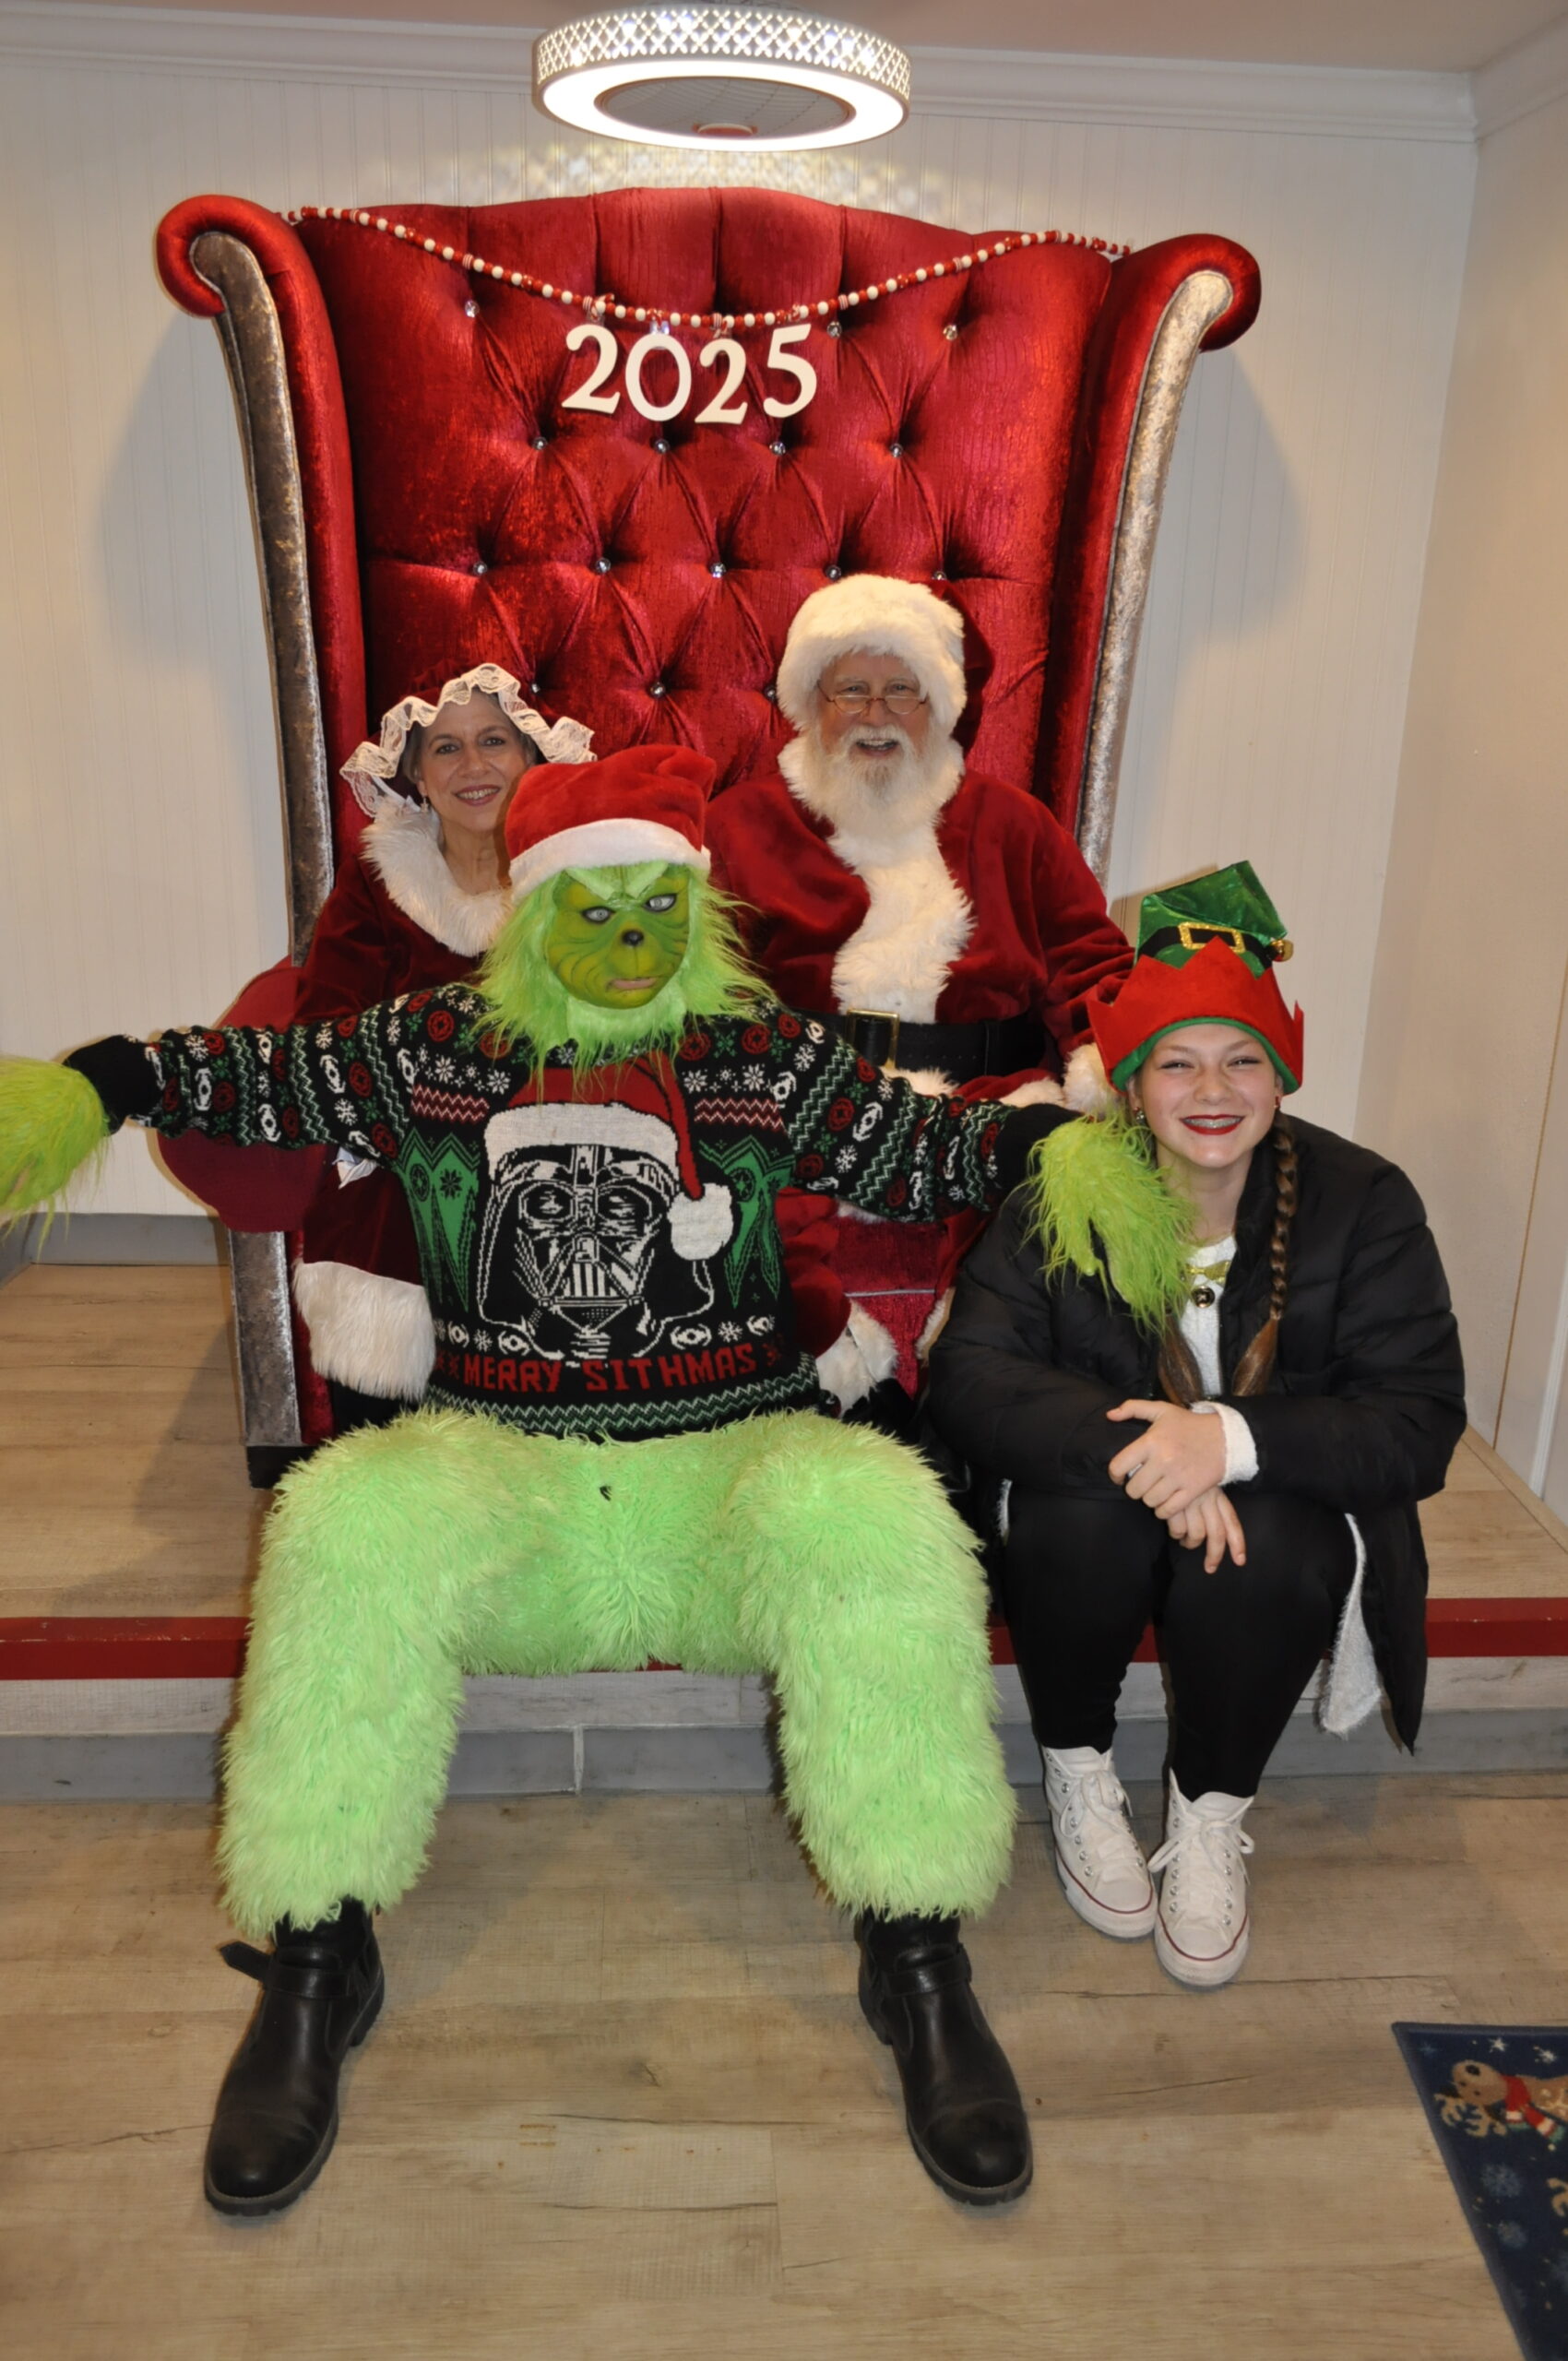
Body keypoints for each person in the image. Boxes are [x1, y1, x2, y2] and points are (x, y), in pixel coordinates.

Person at [1, 744, 1076, 2217]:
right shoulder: (436, 1043)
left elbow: (914, 1146)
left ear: (696, 911)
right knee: (345, 1523)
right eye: (596, 911)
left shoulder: (760, 1050)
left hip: (730, 1477)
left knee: (885, 1519)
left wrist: (1054, 1146)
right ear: (535, 910)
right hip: (503, 1477)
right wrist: (105, 1082)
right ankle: (320, 1953)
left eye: (657, 910)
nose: (630, 942)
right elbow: (261, 1079)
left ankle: (917, 1950)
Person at [925, 863, 1465, 1989]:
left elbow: (1416, 1419)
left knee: (1275, 1543)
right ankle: (1077, 1767)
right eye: (1176, 1061)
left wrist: (1222, 1442)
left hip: (1273, 1494)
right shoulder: (1057, 1191)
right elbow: (970, 1374)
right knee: (1077, 1518)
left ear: (1279, 1075)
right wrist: (1154, 1452)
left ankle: (1210, 1808)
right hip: (1102, 1487)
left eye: (1240, 1059)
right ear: (1129, 1084)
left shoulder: (1365, 1201)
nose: (1210, 1089)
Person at [708, 574, 1131, 1411]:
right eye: (851, 691)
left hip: (992, 1097)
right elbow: (701, 989)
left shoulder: (1012, 822)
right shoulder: (738, 825)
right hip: (806, 1102)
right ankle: (838, 1387)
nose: (877, 715)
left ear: (939, 706)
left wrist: (1113, 1061)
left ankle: (984, 1400)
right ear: (811, 704)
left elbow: (1092, 960)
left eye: (902, 690)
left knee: (1050, 1216)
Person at [291, 664, 592, 1429]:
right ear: (418, 776)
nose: (473, 766)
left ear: (532, 758)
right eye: (447, 749)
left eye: (494, 741)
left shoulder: (582, 878)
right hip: (406, 1143)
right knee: (393, 1211)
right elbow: (328, 1029)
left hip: (559, 1136)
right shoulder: (376, 882)